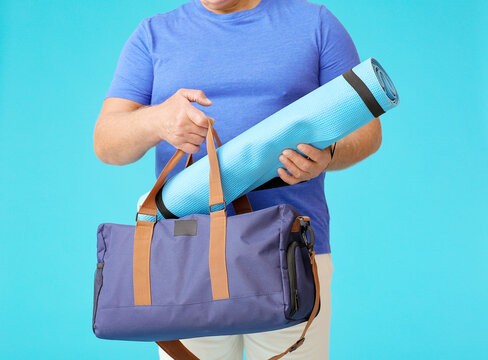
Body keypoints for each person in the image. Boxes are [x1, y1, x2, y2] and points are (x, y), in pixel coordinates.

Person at [94, 0, 382, 358]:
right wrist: (157, 121)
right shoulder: (153, 34)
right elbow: (107, 143)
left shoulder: (316, 23)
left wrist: (329, 155)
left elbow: (368, 129)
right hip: (184, 258)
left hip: (288, 249)